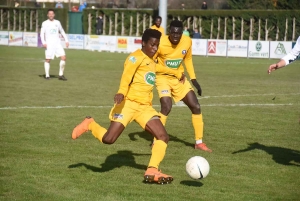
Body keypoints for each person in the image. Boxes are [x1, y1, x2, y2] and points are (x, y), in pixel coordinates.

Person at [71, 29, 185, 184]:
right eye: (152, 45)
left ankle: (152, 170)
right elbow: (126, 77)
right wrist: (121, 92)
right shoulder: (134, 58)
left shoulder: (152, 61)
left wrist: (178, 74)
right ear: (143, 43)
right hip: (128, 104)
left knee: (163, 136)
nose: (154, 48)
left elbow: (161, 69)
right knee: (109, 139)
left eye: (157, 45)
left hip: (144, 107)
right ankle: (90, 124)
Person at [153, 20, 212, 152]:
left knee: (196, 106)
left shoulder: (187, 41)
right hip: (162, 78)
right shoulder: (160, 42)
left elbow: (188, 59)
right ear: (169, 32)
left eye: (178, 33)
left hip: (179, 79)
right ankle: (157, 140)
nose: (175, 36)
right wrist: (173, 71)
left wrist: (194, 79)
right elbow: (152, 64)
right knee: (166, 106)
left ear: (182, 33)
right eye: (173, 33)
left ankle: (199, 142)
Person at [40, 9, 69, 80]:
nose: (51, 15)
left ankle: (61, 75)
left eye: (52, 14)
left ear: (54, 15)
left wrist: (66, 40)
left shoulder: (57, 22)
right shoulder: (45, 23)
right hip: (49, 44)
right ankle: (47, 75)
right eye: (49, 14)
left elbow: (62, 31)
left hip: (57, 44)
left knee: (63, 58)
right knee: (48, 60)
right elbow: (41, 33)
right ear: (47, 15)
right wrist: (43, 42)